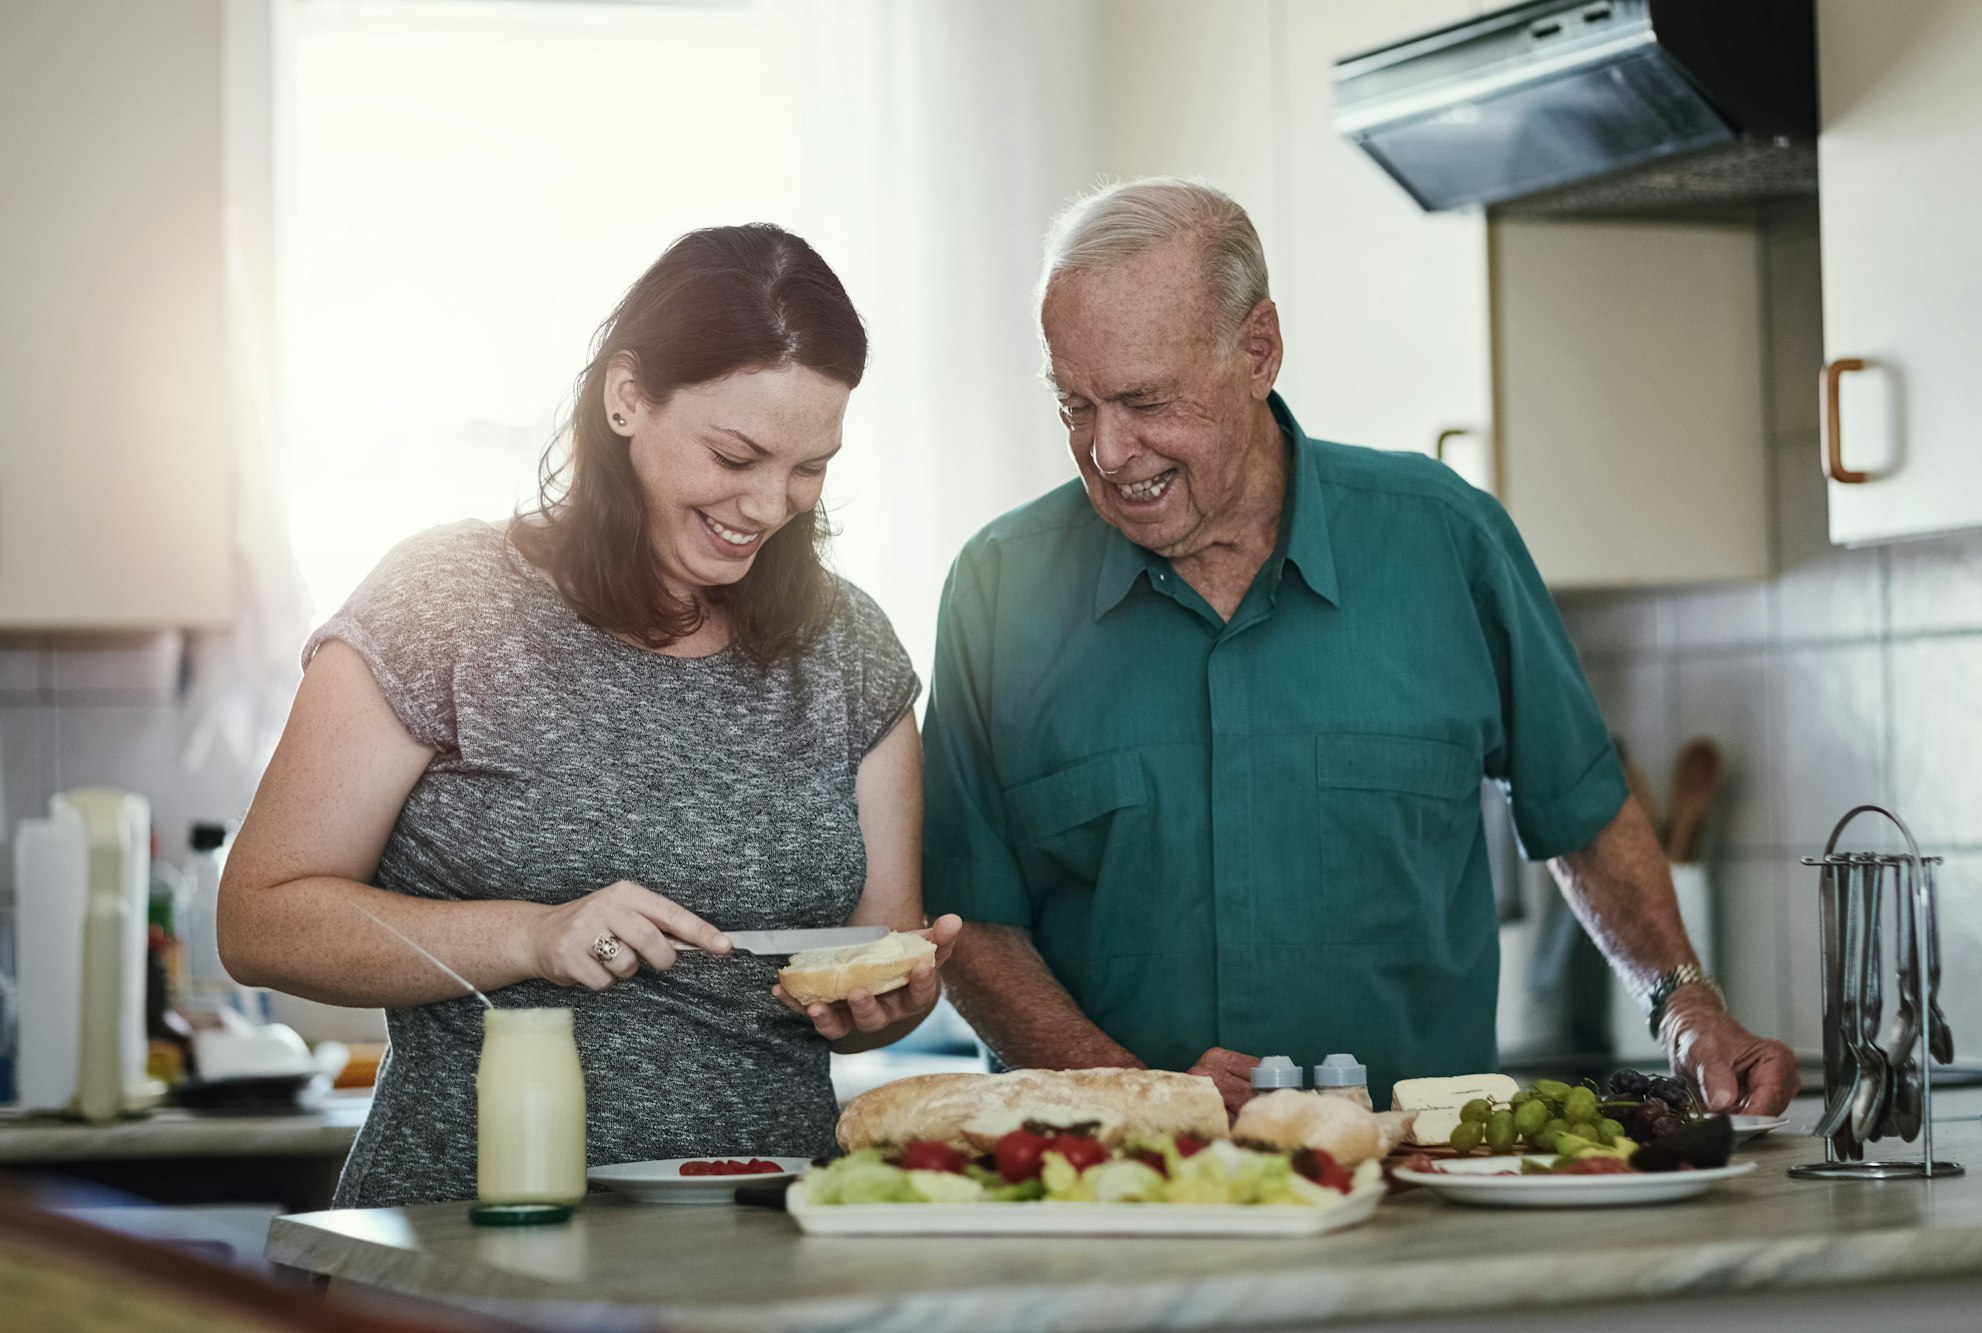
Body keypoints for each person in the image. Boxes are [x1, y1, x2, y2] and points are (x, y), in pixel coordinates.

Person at [920, 178, 1796, 1116]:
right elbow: (968, 926)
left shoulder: (1446, 539)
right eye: (1075, 405)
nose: (1108, 450)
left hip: (1421, 1188)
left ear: (1259, 350)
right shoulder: (1000, 588)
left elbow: (1579, 809)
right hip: (1106, 1196)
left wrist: (1682, 1003)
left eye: (1144, 399)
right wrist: (1138, 1096)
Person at [219, 224, 960, 1208]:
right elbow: (259, 919)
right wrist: (534, 936)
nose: (768, 502)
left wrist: (884, 1005)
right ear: (626, 398)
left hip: (768, 1247)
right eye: (735, 453)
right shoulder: (445, 601)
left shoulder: (847, 645)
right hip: (473, 1232)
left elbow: (873, 950)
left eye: (807, 467)